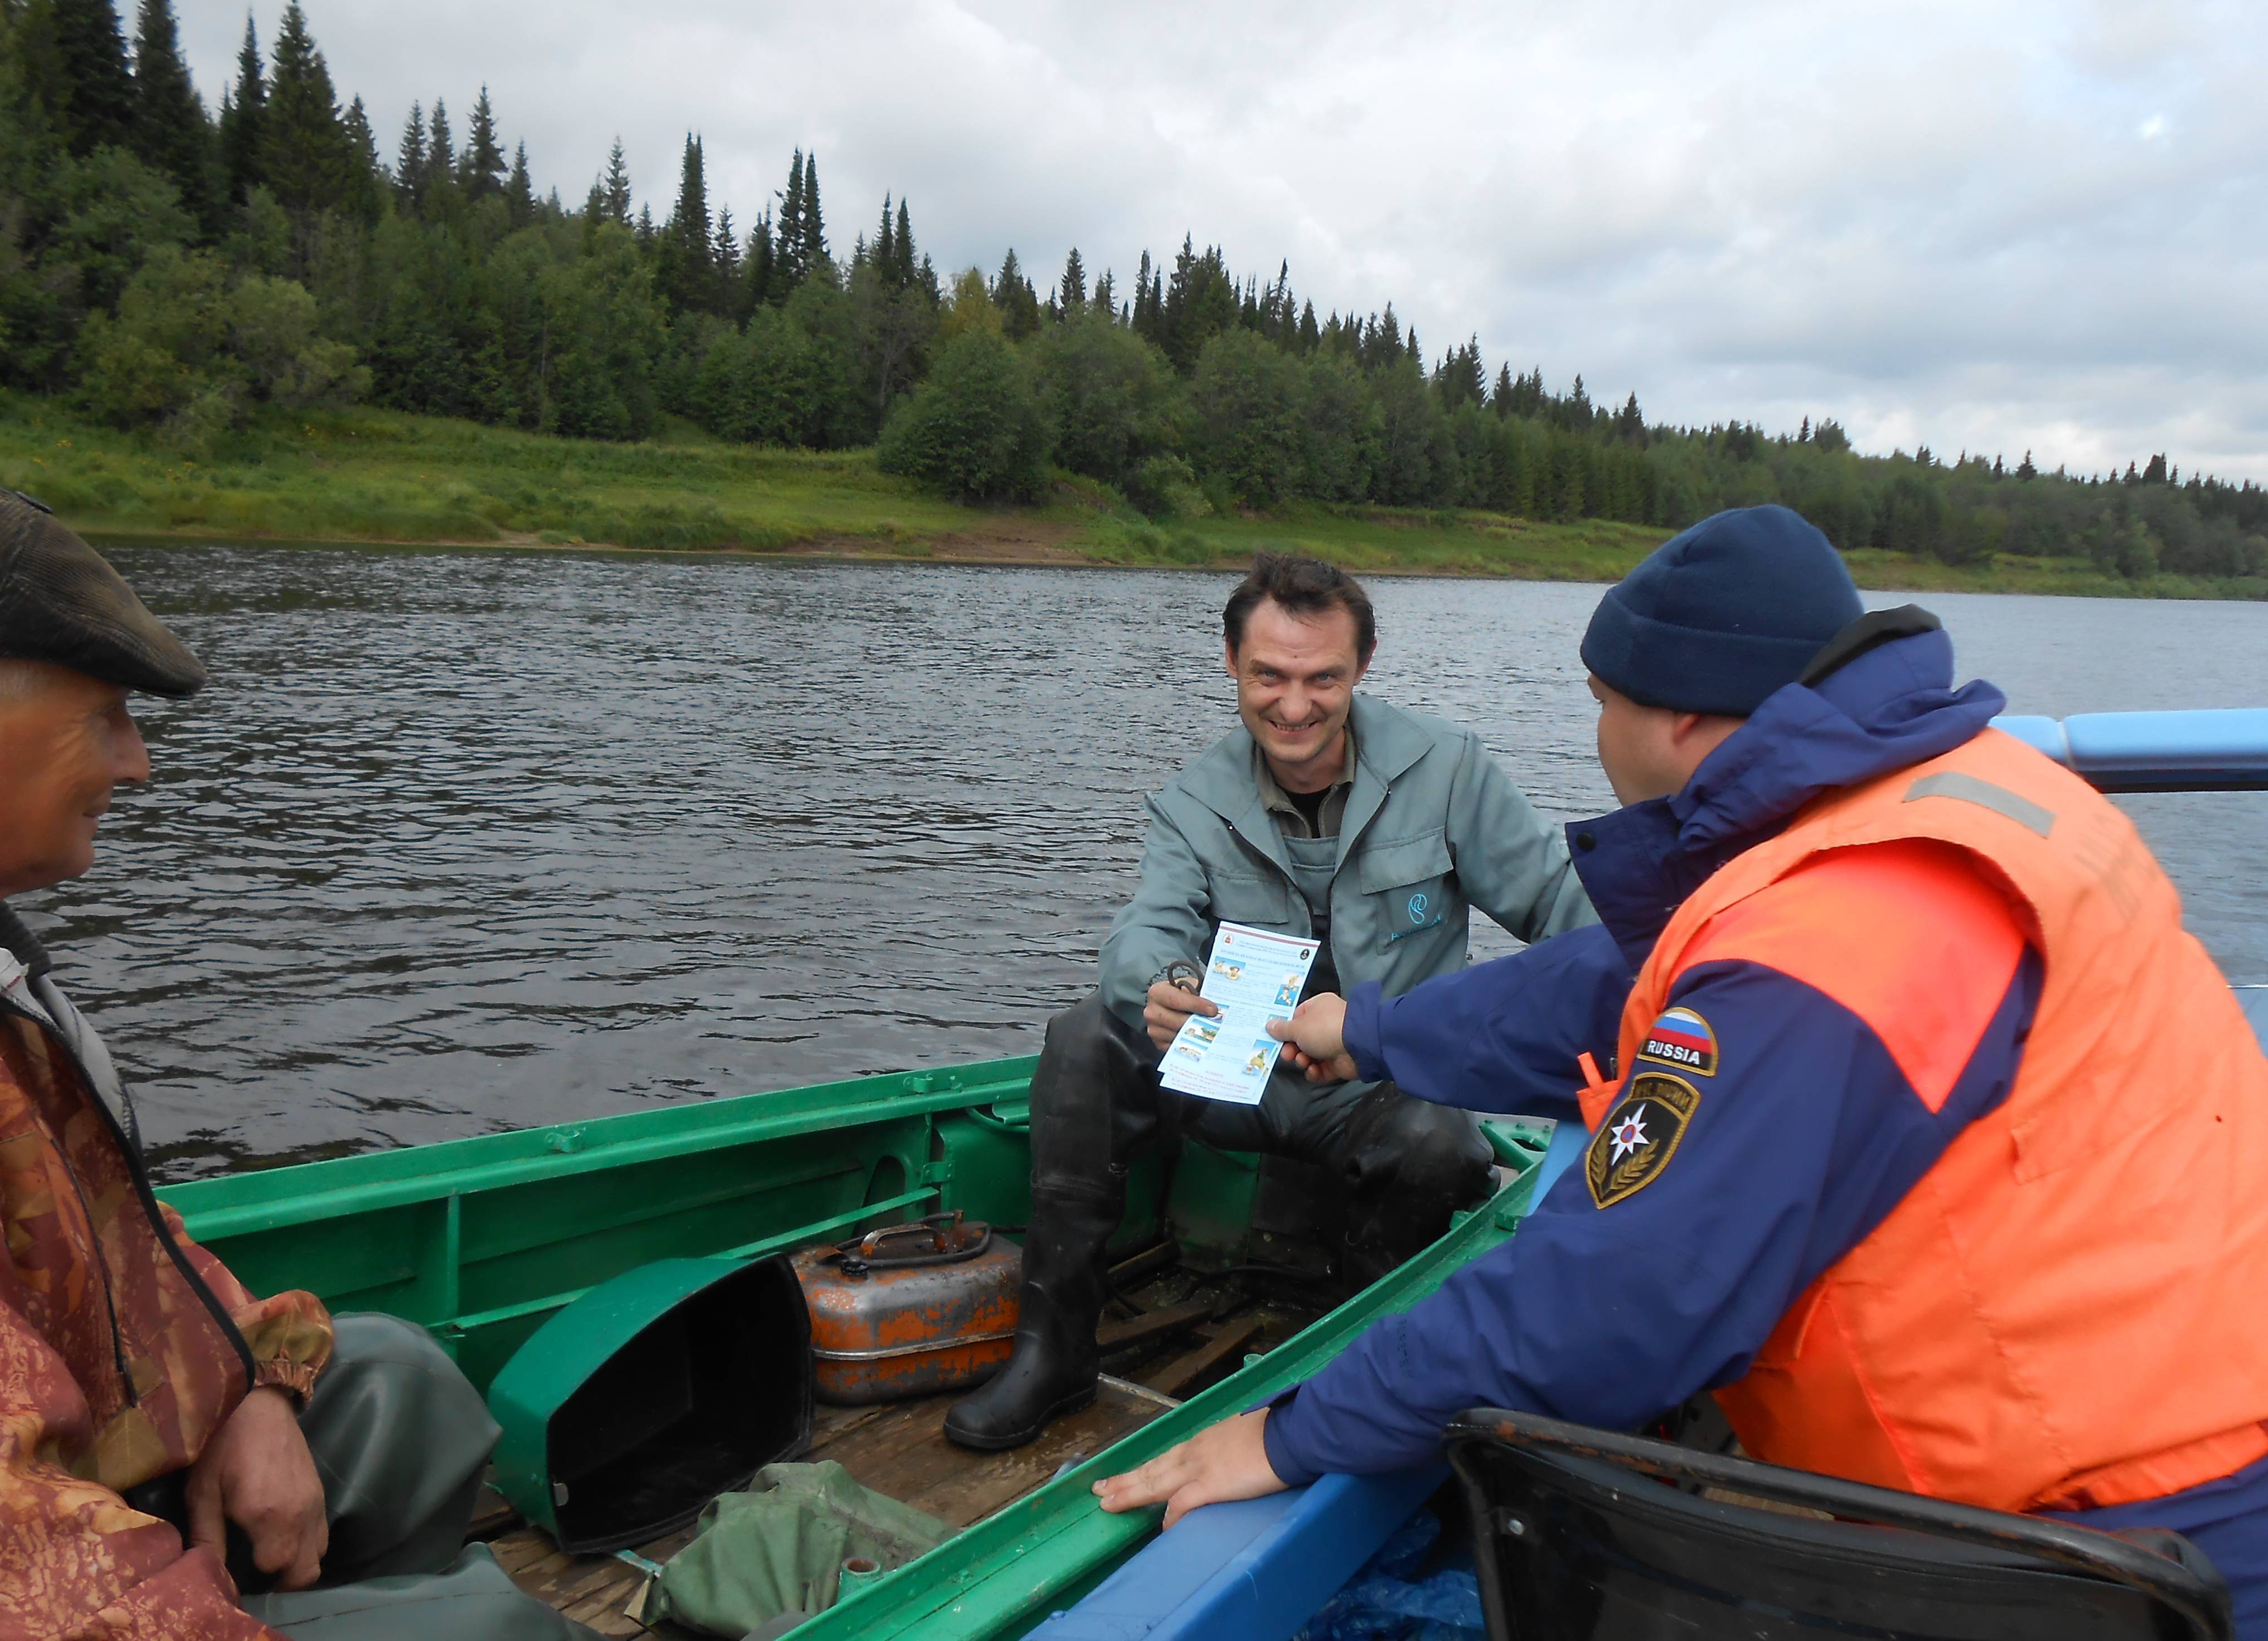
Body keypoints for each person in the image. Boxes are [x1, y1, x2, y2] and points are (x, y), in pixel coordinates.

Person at [1092, 506, 2268, 1631]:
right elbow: (1615, 988)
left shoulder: (1836, 947)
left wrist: (1295, 1433)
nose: (1596, 729)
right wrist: (1373, 1031)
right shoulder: (1945, 799)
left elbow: (1608, 1304)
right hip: (2170, 1406)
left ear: (1686, 725)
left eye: (1601, 701)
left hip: (2117, 1536)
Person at [0, 468, 593, 1639]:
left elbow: (88, 1247)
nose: (137, 765)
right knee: (490, 1636)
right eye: (102, 719)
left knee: (392, 1393)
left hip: (11, 1501)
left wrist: (244, 1390)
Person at [945, 553, 1595, 1450]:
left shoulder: (1448, 769)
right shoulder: (1191, 801)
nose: (1295, 705)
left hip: (1378, 1087)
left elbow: (1563, 910)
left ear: (1362, 666)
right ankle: (1053, 1352)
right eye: (1270, 676)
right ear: (1231, 664)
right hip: (1238, 1077)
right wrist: (1164, 985)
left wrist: (1660, 989)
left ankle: (1362, 1360)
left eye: (1322, 676)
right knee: (1084, 1038)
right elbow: (1144, 929)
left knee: (1442, 1146)